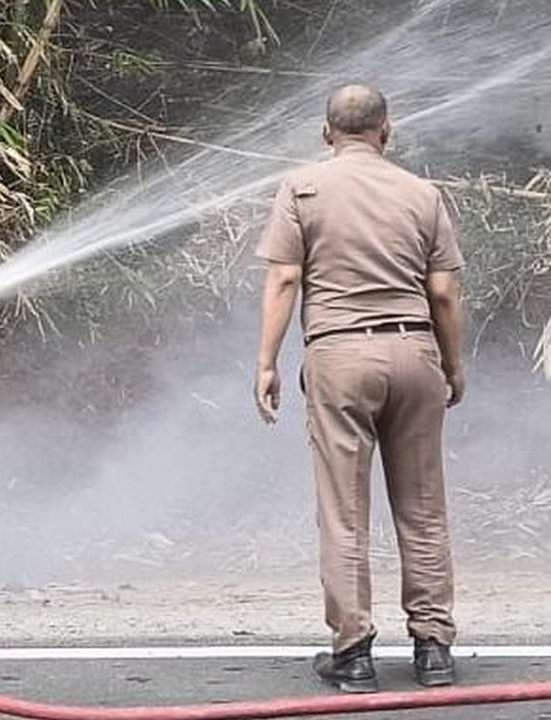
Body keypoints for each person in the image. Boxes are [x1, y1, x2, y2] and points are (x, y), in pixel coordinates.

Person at [253, 85, 465, 693]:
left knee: (344, 514)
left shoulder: (302, 188)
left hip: (339, 355)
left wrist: (267, 362)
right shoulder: (423, 194)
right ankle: (433, 650)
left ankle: (353, 655)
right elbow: (445, 293)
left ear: (327, 134)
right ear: (386, 131)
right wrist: (453, 366)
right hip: (415, 349)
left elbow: (285, 279)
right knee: (423, 508)